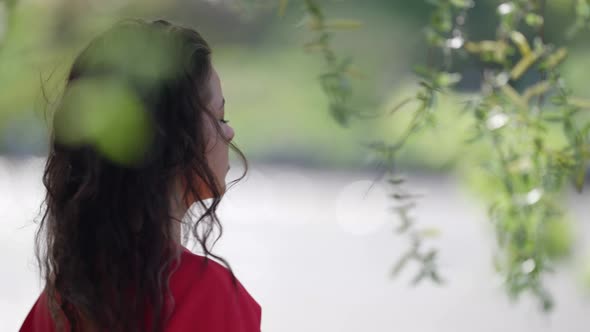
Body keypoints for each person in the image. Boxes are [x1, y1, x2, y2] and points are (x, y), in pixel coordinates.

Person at [19, 19, 261, 332]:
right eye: (219, 116)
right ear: (171, 137)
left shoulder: (57, 307)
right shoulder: (208, 296)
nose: (229, 132)